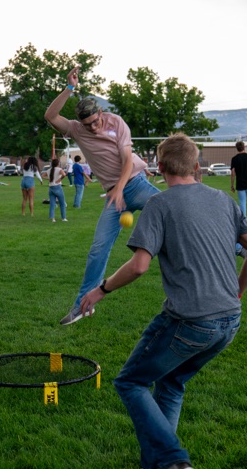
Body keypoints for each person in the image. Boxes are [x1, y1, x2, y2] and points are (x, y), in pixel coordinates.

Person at [79, 133, 247, 469]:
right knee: (172, 383)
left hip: (190, 321)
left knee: (131, 382)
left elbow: (138, 266)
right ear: (196, 167)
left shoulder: (160, 205)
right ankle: (156, 467)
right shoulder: (222, 199)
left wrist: (100, 290)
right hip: (229, 320)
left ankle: (172, 461)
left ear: (159, 168)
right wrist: (238, 291)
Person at [45, 66, 161, 325]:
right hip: (113, 196)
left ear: (101, 113)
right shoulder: (76, 129)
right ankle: (82, 306)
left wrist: (120, 189)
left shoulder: (116, 123)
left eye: (96, 121)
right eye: (88, 125)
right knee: (98, 251)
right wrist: (69, 88)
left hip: (135, 185)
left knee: (175, 212)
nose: (94, 128)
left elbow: (127, 160)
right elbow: (51, 115)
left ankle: (235, 245)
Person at [230, 141, 247, 224]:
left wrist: (232, 185)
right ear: (244, 147)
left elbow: (232, 173)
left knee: (242, 202)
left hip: (240, 183)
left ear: (236, 148)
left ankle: (244, 222)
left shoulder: (234, 159)